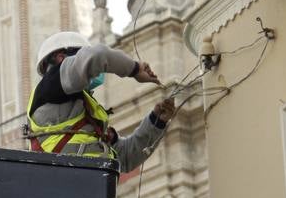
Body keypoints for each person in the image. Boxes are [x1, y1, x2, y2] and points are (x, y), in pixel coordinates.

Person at [27, 31, 175, 172]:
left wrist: (157, 122)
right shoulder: (50, 87)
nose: (96, 73)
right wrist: (135, 69)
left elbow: (125, 157)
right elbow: (98, 55)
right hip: (71, 180)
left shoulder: (80, 112)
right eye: (80, 55)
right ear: (61, 59)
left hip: (90, 184)